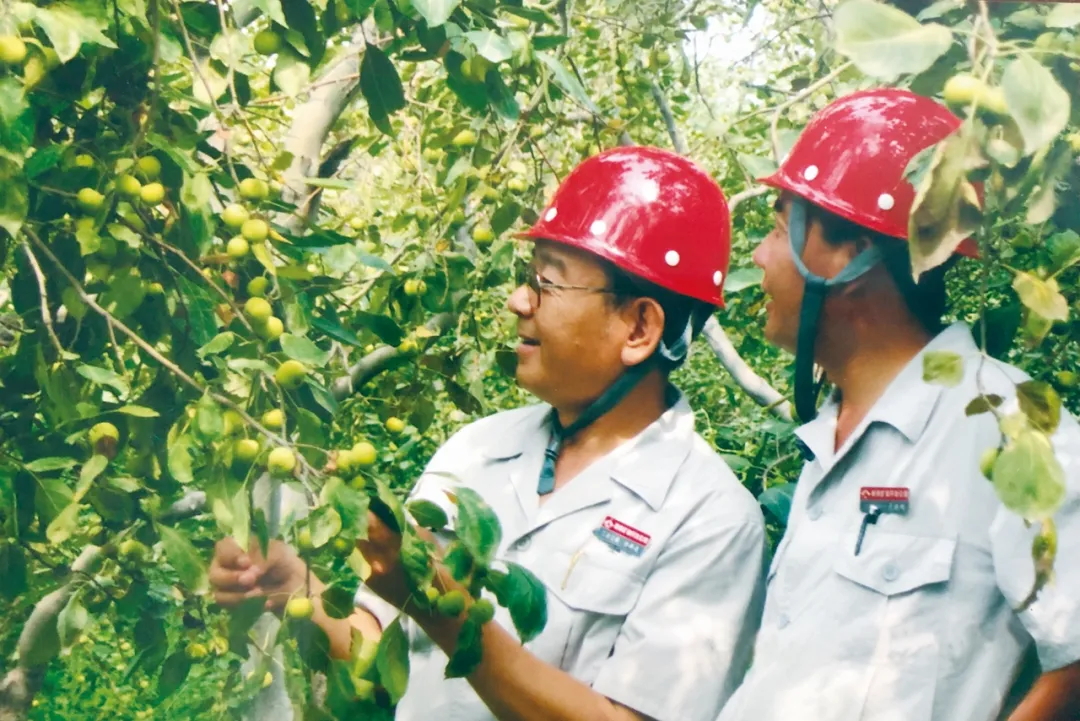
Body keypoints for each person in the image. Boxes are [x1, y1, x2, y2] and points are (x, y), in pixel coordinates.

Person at [211, 146, 767, 721]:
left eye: (547, 284)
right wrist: (292, 588)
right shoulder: (476, 449)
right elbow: (384, 656)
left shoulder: (709, 519)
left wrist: (440, 607)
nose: (518, 301)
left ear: (640, 326)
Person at [716, 88, 1080, 721]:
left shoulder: (1011, 422)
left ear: (852, 256)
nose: (758, 254)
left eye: (778, 226)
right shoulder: (829, 438)